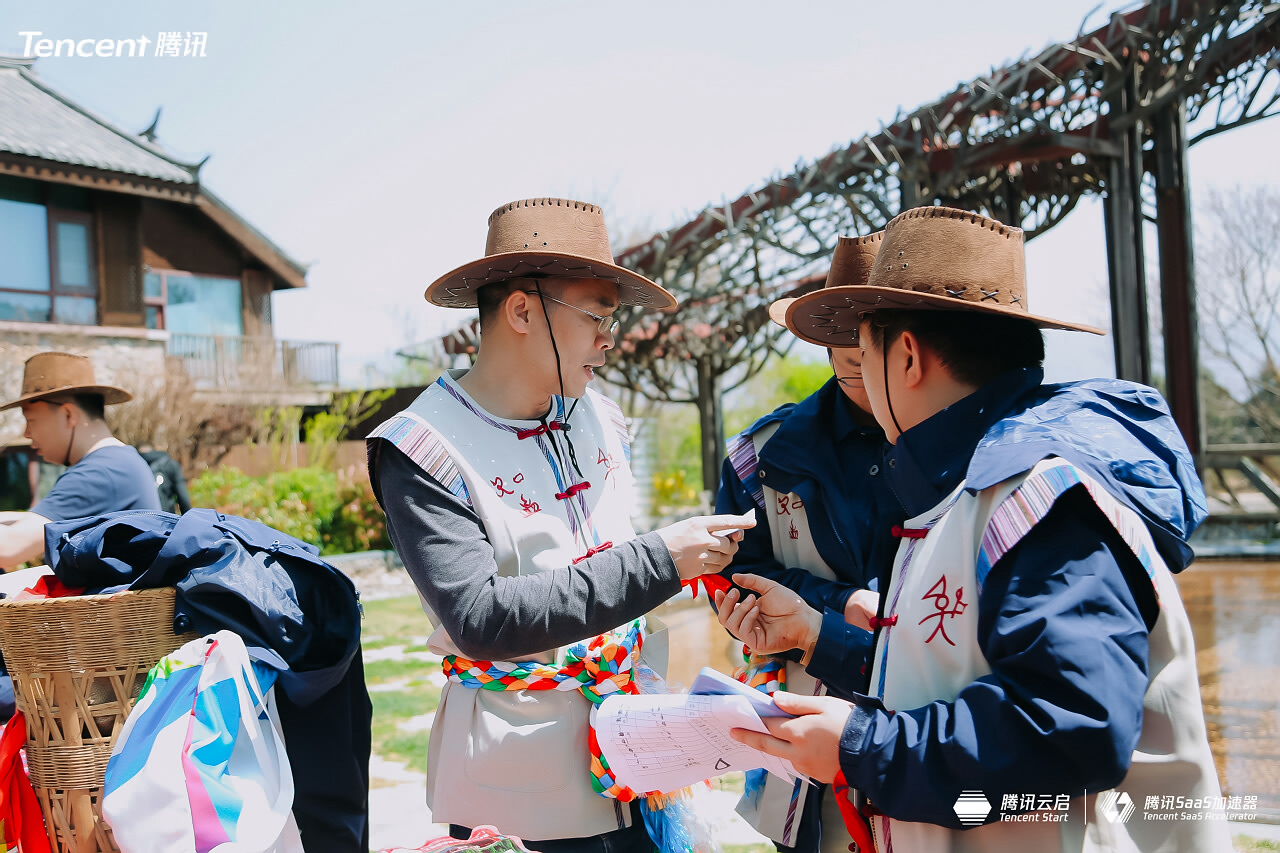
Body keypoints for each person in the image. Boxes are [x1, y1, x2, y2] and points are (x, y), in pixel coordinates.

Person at [716, 206, 1228, 852]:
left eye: (863, 347)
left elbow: (1071, 727)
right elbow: (947, 674)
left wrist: (861, 748)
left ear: (905, 357)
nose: (857, 376)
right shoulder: (968, 491)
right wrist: (817, 635)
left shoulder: (1037, 495)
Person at [366, 197, 755, 853]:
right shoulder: (421, 448)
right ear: (522, 311)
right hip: (520, 788)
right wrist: (660, 559)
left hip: (637, 756)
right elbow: (481, 617)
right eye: (598, 314)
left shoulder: (603, 417)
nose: (609, 337)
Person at [714, 233, 896, 853]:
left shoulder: (974, 453)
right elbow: (738, 573)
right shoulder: (760, 457)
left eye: (868, 338)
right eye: (836, 333)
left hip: (928, 722)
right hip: (803, 729)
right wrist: (833, 603)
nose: (857, 363)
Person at [0, 352, 160, 570]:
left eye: (31, 420)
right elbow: (32, 521)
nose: (27, 433)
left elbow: (8, 548)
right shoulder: (118, 461)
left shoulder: (100, 473)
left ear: (68, 415)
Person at [138, 444, 192, 514]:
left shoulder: (135, 465)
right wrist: (186, 519)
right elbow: (183, 498)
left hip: (141, 519)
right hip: (165, 517)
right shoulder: (171, 464)